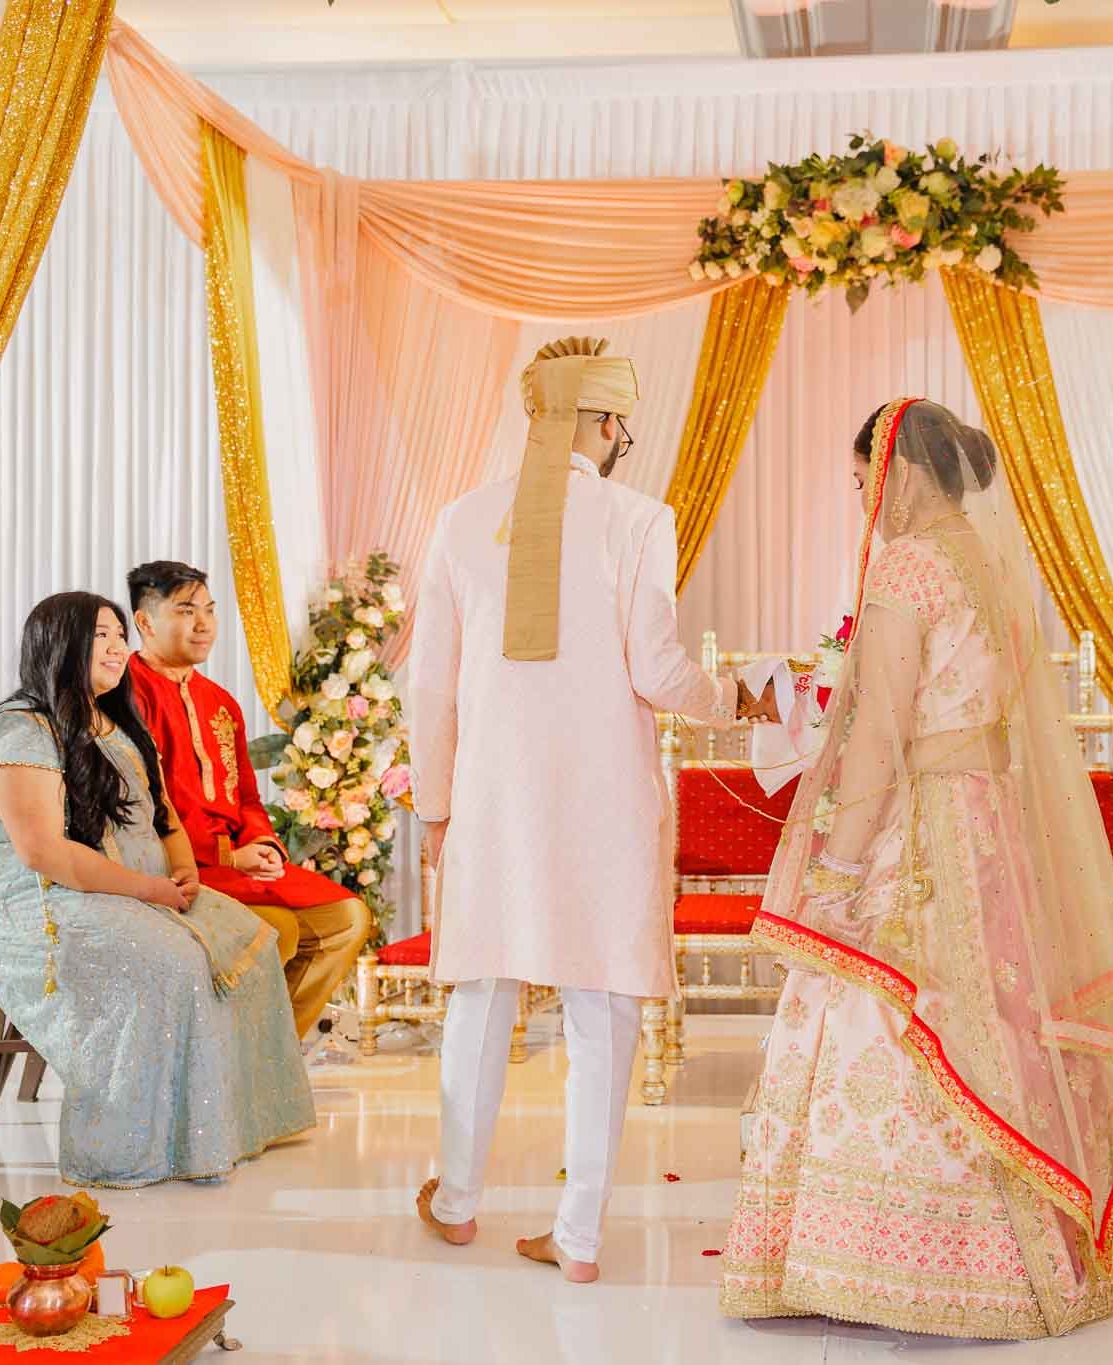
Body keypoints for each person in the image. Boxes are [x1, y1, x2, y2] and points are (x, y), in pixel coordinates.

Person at [720, 399, 1113, 1339]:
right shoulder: (991, 561)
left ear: (906, 471)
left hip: (922, 831)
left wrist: (841, 867)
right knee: (996, 1013)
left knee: (890, 1007)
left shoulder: (908, 566)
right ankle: (1033, 1260)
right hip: (987, 825)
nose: (864, 504)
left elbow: (882, 736)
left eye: (862, 482)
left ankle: (882, 1258)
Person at [408, 336, 773, 1282]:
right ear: (605, 425)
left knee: (480, 994)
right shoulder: (640, 517)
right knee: (599, 1003)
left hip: (494, 796)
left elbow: (429, 687)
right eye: (624, 427)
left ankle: (455, 1202)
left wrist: (438, 804)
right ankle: (576, 1237)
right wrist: (736, 701)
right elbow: (657, 669)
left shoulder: (458, 520)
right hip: (605, 795)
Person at [0, 592, 313, 1188]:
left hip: (114, 885)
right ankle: (125, 1149)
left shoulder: (114, 721)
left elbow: (164, 817)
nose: (117, 648)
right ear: (59, 644)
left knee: (246, 943)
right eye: (100, 636)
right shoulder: (20, 729)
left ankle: (227, 1128)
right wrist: (148, 891)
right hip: (27, 897)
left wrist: (182, 869)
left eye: (117, 636)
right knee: (169, 959)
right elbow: (43, 853)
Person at [126, 561, 374, 1044]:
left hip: (235, 867)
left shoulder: (220, 702)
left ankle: (269, 1057)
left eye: (210, 611)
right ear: (145, 622)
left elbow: (246, 797)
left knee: (347, 919)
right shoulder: (127, 698)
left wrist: (261, 842)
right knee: (277, 930)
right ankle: (239, 1065)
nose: (203, 624)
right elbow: (145, 809)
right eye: (185, 610)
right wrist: (227, 855)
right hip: (177, 870)